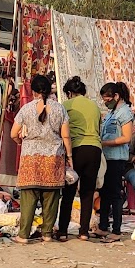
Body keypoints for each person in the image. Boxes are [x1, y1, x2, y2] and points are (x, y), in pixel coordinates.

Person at [11, 75, 71, 241]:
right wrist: (70, 156)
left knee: (28, 198)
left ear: (34, 91)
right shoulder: (60, 109)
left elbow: (13, 133)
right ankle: (47, 234)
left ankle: (23, 235)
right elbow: (66, 136)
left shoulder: (26, 109)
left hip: (31, 158)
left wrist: (20, 142)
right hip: (53, 158)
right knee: (51, 198)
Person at [57, 76, 103, 240]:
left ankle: (63, 231)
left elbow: (62, 131)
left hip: (76, 150)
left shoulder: (65, 106)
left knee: (69, 191)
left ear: (69, 93)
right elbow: (98, 128)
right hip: (95, 149)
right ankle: (83, 232)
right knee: (88, 192)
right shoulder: (95, 106)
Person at [98, 81, 134, 240]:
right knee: (104, 193)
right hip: (107, 158)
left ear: (116, 96)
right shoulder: (111, 113)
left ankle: (116, 230)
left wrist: (105, 143)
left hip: (117, 159)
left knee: (115, 194)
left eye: (107, 99)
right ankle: (103, 226)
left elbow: (126, 137)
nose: (106, 103)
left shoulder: (124, 113)